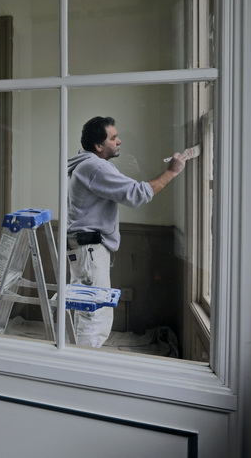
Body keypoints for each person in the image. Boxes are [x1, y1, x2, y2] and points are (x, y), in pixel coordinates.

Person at [67, 116, 186, 348]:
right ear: (98, 146)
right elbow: (137, 194)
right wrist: (172, 171)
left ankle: (77, 363)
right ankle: (81, 371)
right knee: (96, 317)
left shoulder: (81, 163)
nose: (119, 141)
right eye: (113, 138)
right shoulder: (95, 166)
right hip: (89, 250)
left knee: (87, 313)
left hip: (83, 249)